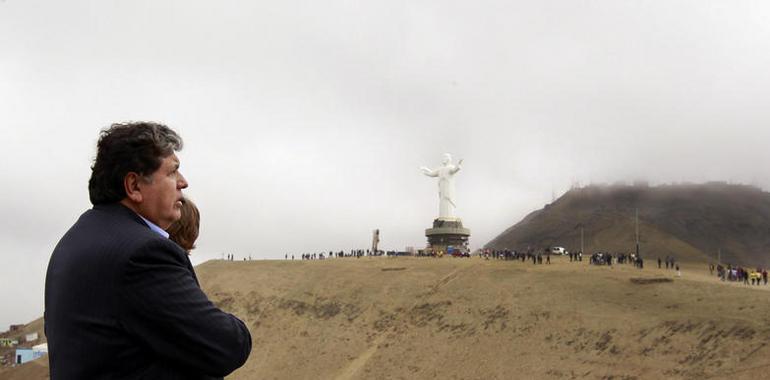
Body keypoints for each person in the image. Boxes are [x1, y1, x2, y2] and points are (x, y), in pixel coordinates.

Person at [44, 122, 251, 379]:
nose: (184, 183)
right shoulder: (143, 254)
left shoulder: (73, 241)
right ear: (134, 186)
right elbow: (226, 346)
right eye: (173, 172)